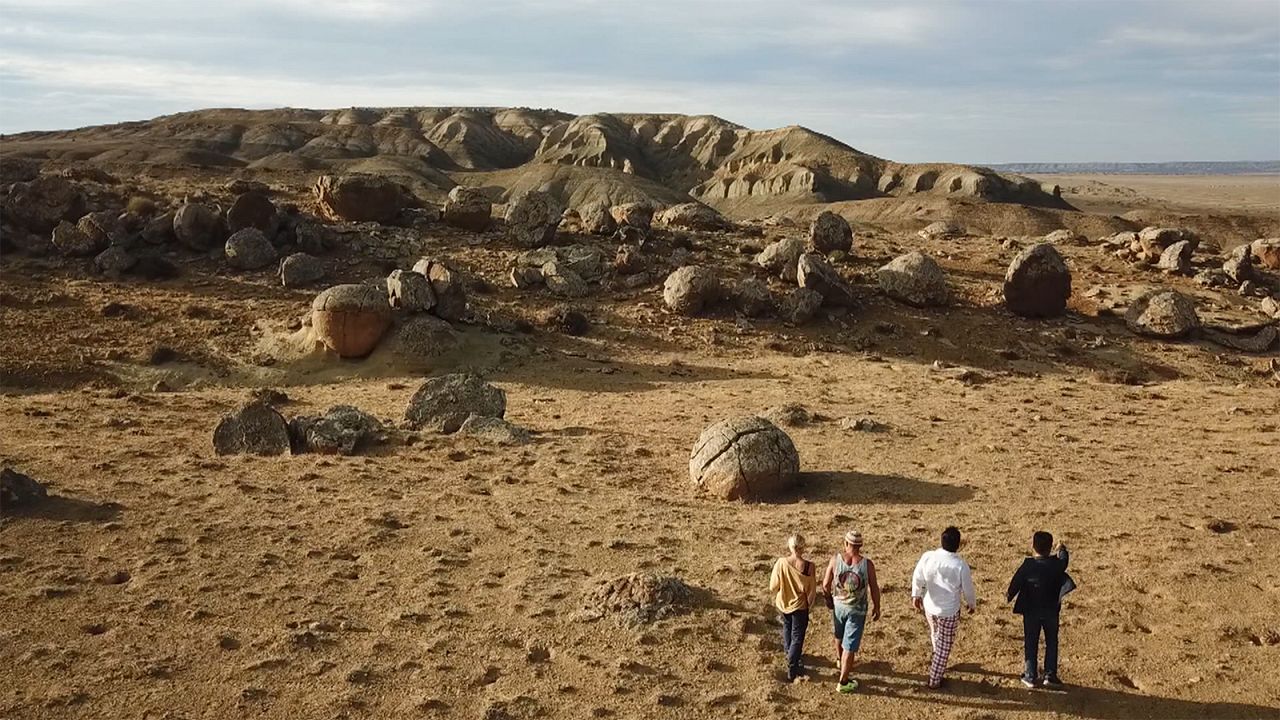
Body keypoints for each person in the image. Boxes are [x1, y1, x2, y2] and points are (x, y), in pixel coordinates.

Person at [911, 526, 977, 689]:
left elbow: (918, 576)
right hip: (949, 611)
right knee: (945, 644)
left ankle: (937, 655)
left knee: (935, 633)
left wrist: (916, 594)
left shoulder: (928, 557)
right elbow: (968, 589)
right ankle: (934, 679)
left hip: (930, 606)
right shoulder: (960, 565)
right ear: (958, 545)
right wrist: (971, 603)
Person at [1006, 531, 1070, 689]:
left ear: (1032, 547)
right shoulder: (1056, 564)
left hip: (1031, 611)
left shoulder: (1028, 565)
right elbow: (1064, 560)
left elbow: (1016, 582)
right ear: (1050, 548)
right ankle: (1050, 674)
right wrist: (1061, 549)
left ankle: (1030, 675)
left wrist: (1009, 594)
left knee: (1031, 642)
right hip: (1051, 611)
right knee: (1052, 641)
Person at [822, 529, 881, 694]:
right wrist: (877, 606)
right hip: (856, 609)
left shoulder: (835, 560)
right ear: (860, 545)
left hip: (838, 606)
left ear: (846, 544)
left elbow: (825, 584)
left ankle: (841, 661)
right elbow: (874, 588)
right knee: (850, 645)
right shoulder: (867, 564)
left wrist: (828, 599)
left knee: (839, 635)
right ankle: (844, 681)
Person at [769, 532, 818, 681]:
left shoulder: (781, 563)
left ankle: (789, 654)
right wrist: (809, 603)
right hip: (800, 606)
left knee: (787, 628)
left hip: (784, 604)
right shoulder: (809, 567)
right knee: (798, 635)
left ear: (790, 546)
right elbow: (811, 590)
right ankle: (793, 663)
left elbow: (773, 587)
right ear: (803, 547)